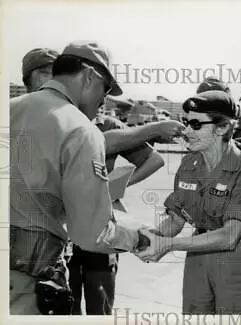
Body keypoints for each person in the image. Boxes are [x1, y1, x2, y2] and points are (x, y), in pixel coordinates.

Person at [10, 41, 151, 315]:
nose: (104, 100)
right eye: (106, 89)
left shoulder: (10, 108)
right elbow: (90, 234)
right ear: (88, 76)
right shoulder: (81, 130)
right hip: (28, 282)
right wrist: (139, 238)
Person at [136, 91, 241, 314]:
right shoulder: (189, 163)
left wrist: (169, 245)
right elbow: (176, 220)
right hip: (197, 255)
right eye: (186, 123)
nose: (186, 131)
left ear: (223, 127)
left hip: (236, 260)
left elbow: (229, 235)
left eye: (196, 124)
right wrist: (146, 238)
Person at [68, 111, 165, 315]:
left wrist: (115, 186)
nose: (103, 98)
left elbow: (154, 160)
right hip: (63, 225)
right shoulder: (59, 120)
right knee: (65, 299)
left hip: (101, 223)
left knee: (100, 298)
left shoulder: (109, 124)